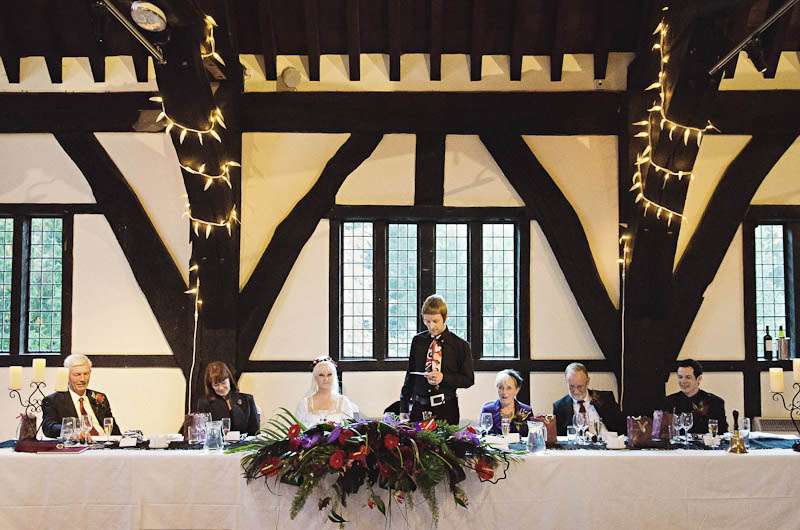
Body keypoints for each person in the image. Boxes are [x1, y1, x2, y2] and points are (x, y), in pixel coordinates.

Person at [400, 294, 474, 425]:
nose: (431, 326)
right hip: (419, 408)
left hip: (447, 409)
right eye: (427, 321)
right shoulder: (417, 341)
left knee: (447, 439)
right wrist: (403, 406)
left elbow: (468, 380)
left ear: (445, 317)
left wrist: (443, 378)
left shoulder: (460, 345)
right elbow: (410, 376)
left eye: (435, 321)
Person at [41, 354, 121, 439]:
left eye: (86, 374)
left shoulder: (99, 397)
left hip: (105, 442)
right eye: (77, 374)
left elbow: (113, 429)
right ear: (67, 375)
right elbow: (48, 427)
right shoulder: (53, 400)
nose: (82, 379)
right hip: (79, 444)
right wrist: (71, 431)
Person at [552, 362, 623, 435]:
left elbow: (622, 427)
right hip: (576, 442)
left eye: (580, 386)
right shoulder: (559, 407)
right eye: (571, 386)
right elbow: (558, 437)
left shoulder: (606, 399)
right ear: (566, 382)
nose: (576, 391)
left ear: (587, 382)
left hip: (607, 440)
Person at [664, 358, 728, 434]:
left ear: (699, 379)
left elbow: (722, 433)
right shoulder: (669, 401)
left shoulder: (715, 402)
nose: (683, 381)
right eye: (680, 377)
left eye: (688, 377)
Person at [196, 361, 260, 436]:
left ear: (229, 379)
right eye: (216, 385)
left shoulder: (247, 399)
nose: (221, 388)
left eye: (223, 382)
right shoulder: (204, 403)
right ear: (211, 386)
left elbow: (255, 432)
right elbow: (202, 434)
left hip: (244, 443)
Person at [295, 356, 359, 427]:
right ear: (315, 377)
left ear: (334, 377)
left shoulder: (344, 402)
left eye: (329, 375)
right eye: (321, 375)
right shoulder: (304, 404)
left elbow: (349, 429)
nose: (326, 379)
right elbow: (298, 429)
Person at [480, 369, 533, 437]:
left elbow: (531, 436)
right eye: (500, 387)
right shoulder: (487, 410)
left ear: (517, 390)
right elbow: (483, 435)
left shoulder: (526, 410)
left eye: (509, 388)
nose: (504, 392)